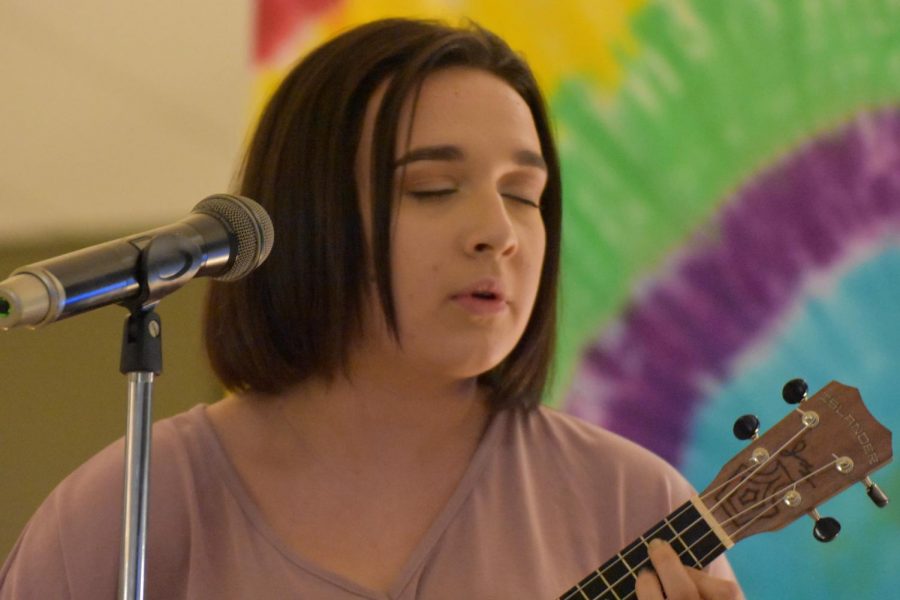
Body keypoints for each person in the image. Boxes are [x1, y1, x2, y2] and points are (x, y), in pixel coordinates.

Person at [1, 18, 742, 600]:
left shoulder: (634, 508)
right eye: (431, 189)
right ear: (309, 216)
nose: (499, 233)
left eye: (523, 194)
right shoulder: (128, 509)